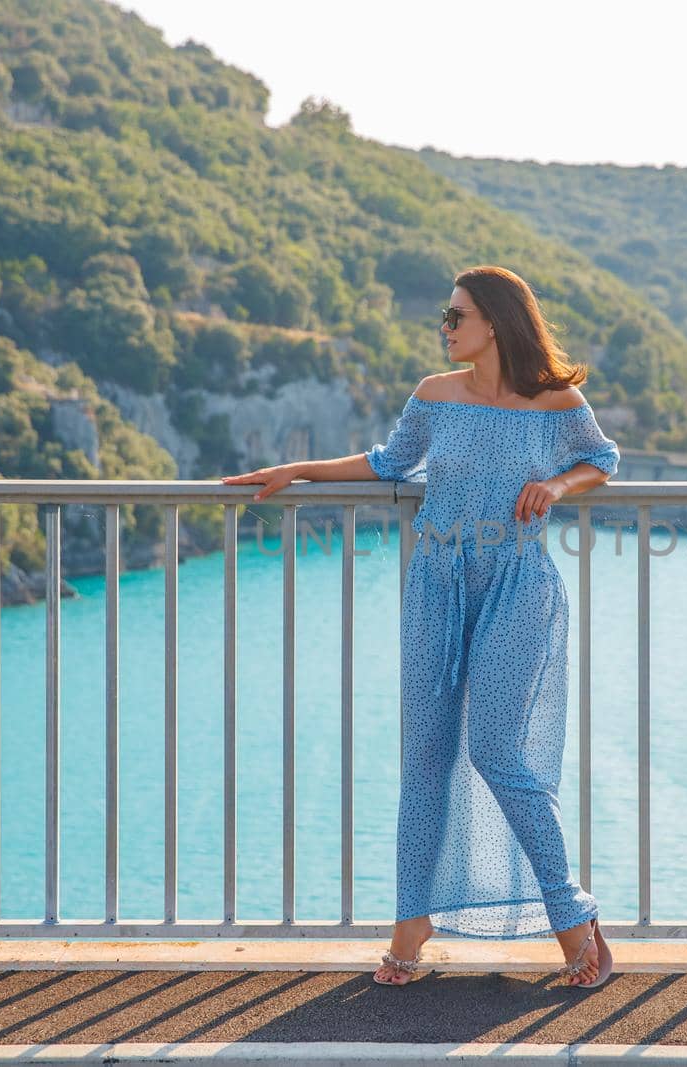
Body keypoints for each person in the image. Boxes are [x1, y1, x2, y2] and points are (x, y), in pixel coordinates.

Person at [221, 265, 618, 990]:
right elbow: (385, 463)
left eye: (456, 314)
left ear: (494, 321)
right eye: (446, 314)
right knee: (426, 755)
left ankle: (572, 919)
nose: (445, 325)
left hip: (516, 583)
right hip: (437, 583)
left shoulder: (557, 400)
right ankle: (413, 925)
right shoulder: (435, 395)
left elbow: (603, 459)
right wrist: (298, 470)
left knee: (500, 751)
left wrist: (556, 484)